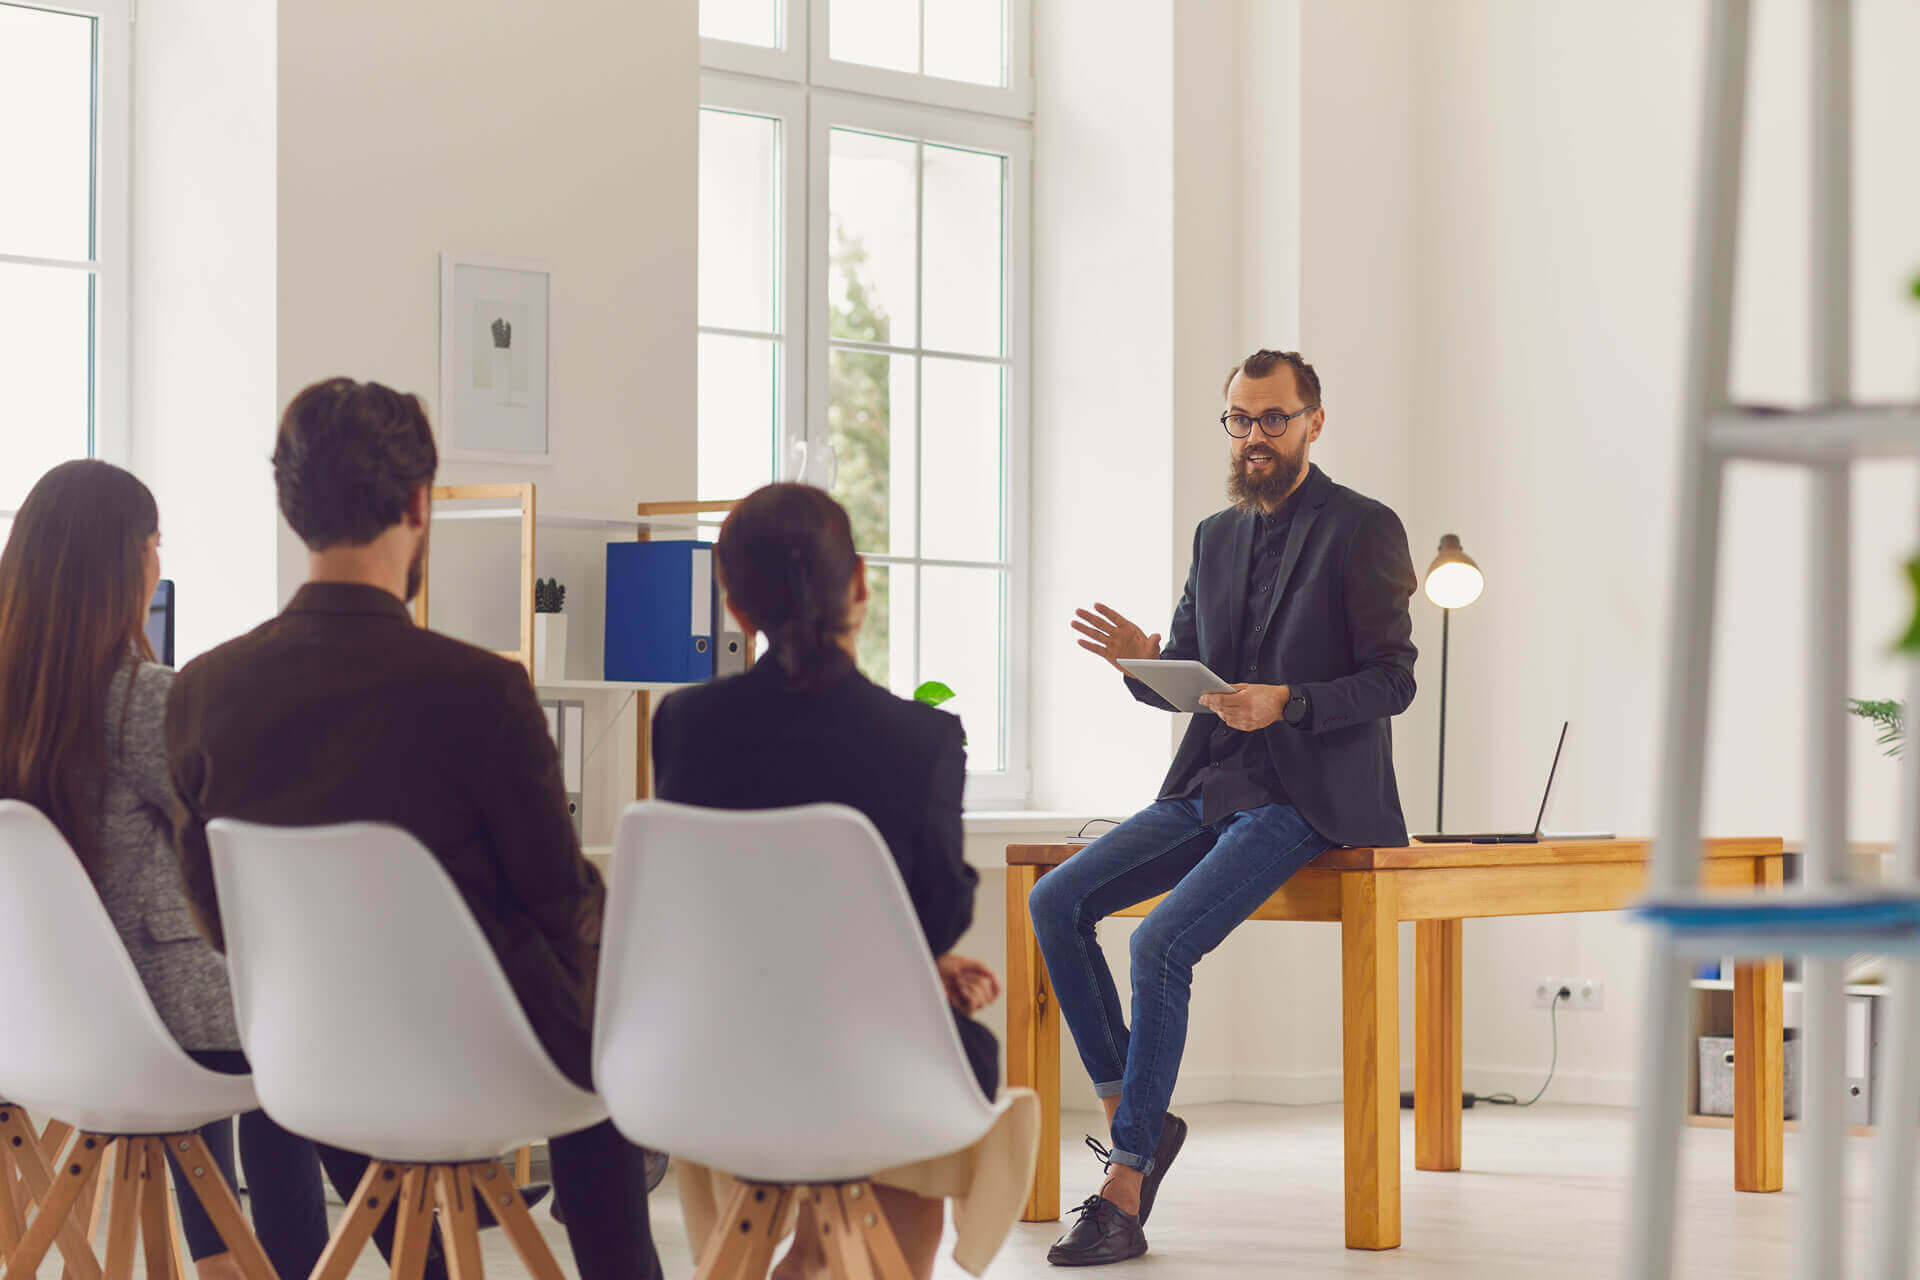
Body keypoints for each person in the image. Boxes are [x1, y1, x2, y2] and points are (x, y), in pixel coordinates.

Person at [164, 378, 662, 1280]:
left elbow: (216, 917)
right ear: (419, 505)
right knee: (611, 1040)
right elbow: (557, 902)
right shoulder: (483, 691)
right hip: (480, 1062)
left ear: (292, 506)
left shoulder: (203, 689)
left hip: (308, 1058)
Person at [1033, 349, 1419, 1265]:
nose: (1253, 436)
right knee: (1056, 901)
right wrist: (1144, 660)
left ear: (1313, 422)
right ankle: (1143, 1115)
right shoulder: (1215, 534)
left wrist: (1289, 698)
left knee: (1159, 940)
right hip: (1210, 782)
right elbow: (1192, 678)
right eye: (1240, 420)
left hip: (1307, 794)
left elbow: (1394, 679)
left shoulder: (1365, 527)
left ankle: (1124, 1186)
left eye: (1272, 419)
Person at [652, 482, 1003, 1280]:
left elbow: (709, 913)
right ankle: (852, 1264)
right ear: (861, 584)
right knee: (938, 1058)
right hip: (869, 1062)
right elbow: (936, 915)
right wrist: (919, 969)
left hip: (714, 1061)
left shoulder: (685, 725)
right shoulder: (923, 738)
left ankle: (812, 1254)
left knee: (878, 1051)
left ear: (735, 605)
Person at [0, 460, 331, 1280]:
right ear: (124, 566)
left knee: (222, 1008)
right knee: (285, 1032)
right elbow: (246, 832)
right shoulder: (141, 698)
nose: (158, 563)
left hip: (31, 1035)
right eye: (154, 544)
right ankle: (284, 1266)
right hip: (156, 1038)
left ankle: (226, 1258)